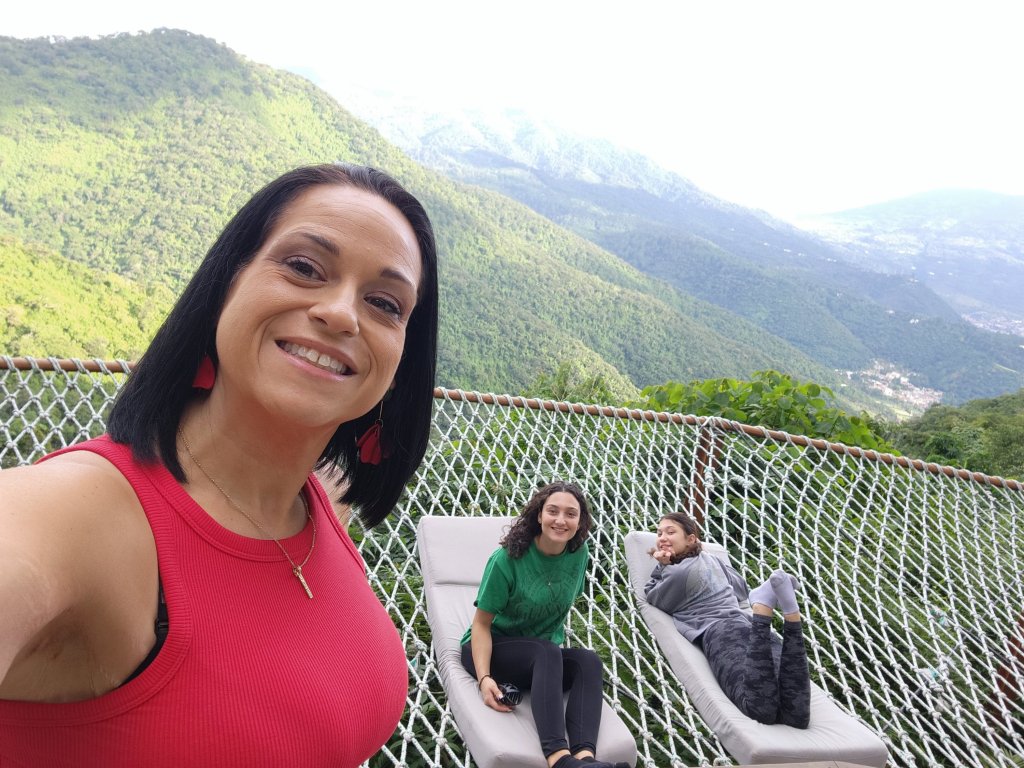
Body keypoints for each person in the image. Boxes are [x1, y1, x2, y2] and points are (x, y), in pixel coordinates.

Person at [0, 163, 439, 766]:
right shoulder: (74, 513)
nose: (342, 314)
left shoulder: (321, 504)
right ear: (226, 285)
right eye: (304, 267)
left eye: (384, 303)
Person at [461, 481, 630, 768]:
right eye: (553, 511)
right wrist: (484, 678)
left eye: (571, 514)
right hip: (491, 651)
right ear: (539, 515)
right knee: (546, 651)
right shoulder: (507, 559)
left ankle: (585, 759)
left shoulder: (579, 554)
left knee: (587, 661)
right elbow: (481, 625)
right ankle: (559, 759)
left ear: (581, 522)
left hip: (540, 662)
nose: (561, 520)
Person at [643, 512, 811, 728]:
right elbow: (740, 589)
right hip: (747, 625)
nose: (662, 538)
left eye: (670, 532)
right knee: (797, 717)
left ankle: (762, 610)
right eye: (659, 533)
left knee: (760, 710)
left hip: (720, 634)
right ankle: (790, 613)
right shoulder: (711, 559)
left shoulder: (676, 574)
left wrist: (663, 566)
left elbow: (654, 596)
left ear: (691, 539)